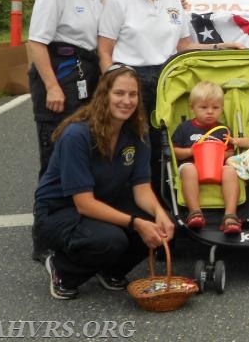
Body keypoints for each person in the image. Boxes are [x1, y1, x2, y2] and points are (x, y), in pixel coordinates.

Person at [97, 0, 242, 191]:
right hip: (130, 81)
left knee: (158, 145)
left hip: (166, 81)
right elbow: (105, 50)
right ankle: (124, 201)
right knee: (129, 144)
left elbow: (184, 47)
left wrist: (223, 46)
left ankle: (158, 202)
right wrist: (112, 88)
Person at [33, 64, 175, 300]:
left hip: (102, 201)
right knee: (111, 240)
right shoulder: (76, 135)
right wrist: (136, 223)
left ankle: (110, 271)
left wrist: (160, 214)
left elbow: (142, 189)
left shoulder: (135, 133)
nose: (126, 101)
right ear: (103, 95)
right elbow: (84, 204)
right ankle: (62, 269)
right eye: (119, 93)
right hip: (60, 210)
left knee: (161, 226)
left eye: (133, 94)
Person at [27, 0, 111, 262]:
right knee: (55, 155)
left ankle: (77, 223)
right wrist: (50, 86)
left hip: (87, 72)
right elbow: (36, 42)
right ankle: (43, 236)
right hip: (57, 72)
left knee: (83, 152)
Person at [171, 81, 248, 235]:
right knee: (189, 169)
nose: (210, 112)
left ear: (221, 109)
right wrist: (191, 152)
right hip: (192, 165)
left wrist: (218, 154)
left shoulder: (222, 130)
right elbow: (175, 152)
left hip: (216, 167)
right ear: (192, 108)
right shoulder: (185, 128)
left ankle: (230, 215)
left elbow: (231, 153)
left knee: (230, 171)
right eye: (204, 107)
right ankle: (194, 212)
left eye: (215, 108)